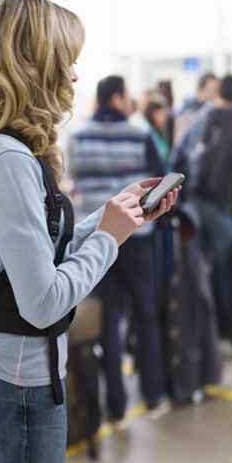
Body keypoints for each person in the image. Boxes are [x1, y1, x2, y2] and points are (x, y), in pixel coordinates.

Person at [0, 0, 179, 463]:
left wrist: (113, 214)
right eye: (67, 62)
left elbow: (38, 250)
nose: (75, 76)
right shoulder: (6, 162)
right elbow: (42, 302)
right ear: (36, 65)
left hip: (16, 379)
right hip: (14, 387)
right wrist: (110, 239)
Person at [70, 76, 173, 422]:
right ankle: (154, 394)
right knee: (145, 314)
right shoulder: (139, 133)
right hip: (138, 239)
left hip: (98, 238)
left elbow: (74, 181)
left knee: (108, 319)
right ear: (116, 98)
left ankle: (114, 405)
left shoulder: (78, 137)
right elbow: (158, 181)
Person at [180, 74, 232, 344]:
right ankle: (224, 329)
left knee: (194, 269)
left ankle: (197, 327)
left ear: (218, 96)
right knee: (224, 268)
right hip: (223, 209)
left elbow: (177, 158)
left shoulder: (198, 123)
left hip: (192, 206)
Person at [174, 72, 219, 143]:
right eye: (212, 89)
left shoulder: (213, 112)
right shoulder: (186, 112)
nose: (215, 94)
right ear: (200, 89)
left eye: (217, 90)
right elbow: (178, 141)